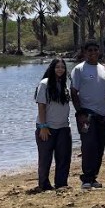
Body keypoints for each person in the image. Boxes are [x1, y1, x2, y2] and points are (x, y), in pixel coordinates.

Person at [70, 40, 105, 189]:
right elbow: (73, 92)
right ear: (85, 52)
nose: (93, 53)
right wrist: (79, 112)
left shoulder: (103, 69)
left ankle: (94, 177)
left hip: (102, 114)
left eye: (95, 50)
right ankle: (86, 178)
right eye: (90, 50)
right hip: (86, 114)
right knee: (88, 146)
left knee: (100, 146)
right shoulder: (79, 69)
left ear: (99, 51)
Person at [34, 58, 72, 190]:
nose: (60, 69)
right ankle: (44, 185)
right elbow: (41, 106)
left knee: (64, 158)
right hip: (47, 128)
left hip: (64, 127)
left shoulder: (64, 85)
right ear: (52, 68)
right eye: (57, 67)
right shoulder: (44, 83)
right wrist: (43, 127)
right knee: (45, 158)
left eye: (63, 67)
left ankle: (61, 184)